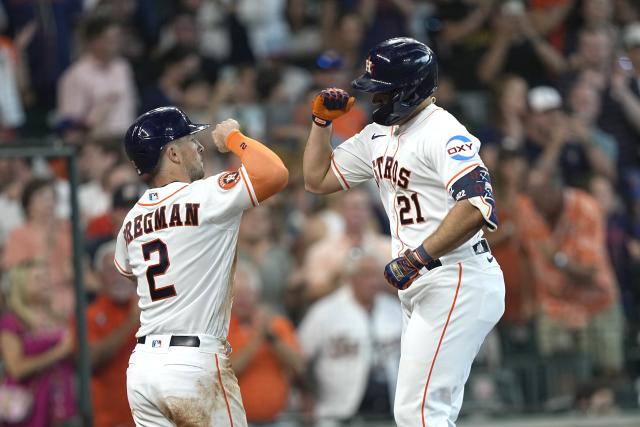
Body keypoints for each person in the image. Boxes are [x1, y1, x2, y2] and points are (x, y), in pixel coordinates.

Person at [302, 37, 505, 426]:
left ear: (410, 90)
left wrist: (419, 256)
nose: (373, 100)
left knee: (419, 411)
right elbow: (317, 178)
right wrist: (321, 124)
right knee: (422, 410)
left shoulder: (443, 131)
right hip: (424, 281)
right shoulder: (379, 135)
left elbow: (478, 205)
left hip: (456, 276)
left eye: (382, 92)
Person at [115, 106, 288, 426]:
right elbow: (275, 173)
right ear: (172, 153)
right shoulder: (205, 195)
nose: (200, 146)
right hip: (193, 363)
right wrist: (235, 138)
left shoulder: (131, 220)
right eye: (189, 139)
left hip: (143, 368)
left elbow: (129, 273)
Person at [298, 251, 402, 424]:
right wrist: (306, 396)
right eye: (366, 275)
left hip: (388, 413)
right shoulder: (324, 311)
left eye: (377, 275)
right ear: (350, 278)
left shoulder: (395, 309)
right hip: (337, 414)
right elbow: (300, 358)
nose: (373, 282)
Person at [226, 262, 303, 425]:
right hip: (237, 420)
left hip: (278, 419)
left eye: (247, 293)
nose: (242, 300)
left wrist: (272, 338)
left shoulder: (276, 324)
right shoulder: (222, 330)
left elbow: (298, 365)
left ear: (257, 295)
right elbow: (228, 374)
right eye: (237, 294)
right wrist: (257, 339)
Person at [0, 262, 76, 427]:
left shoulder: (60, 317)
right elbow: (16, 369)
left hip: (61, 399)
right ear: (21, 284)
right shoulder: (12, 322)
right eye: (38, 279)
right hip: (27, 406)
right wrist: (58, 352)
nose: (46, 283)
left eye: (46, 278)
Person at [81, 241, 139, 427]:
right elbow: (90, 359)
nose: (120, 277)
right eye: (112, 271)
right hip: (109, 420)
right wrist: (131, 322)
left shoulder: (147, 308)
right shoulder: (89, 315)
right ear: (99, 276)